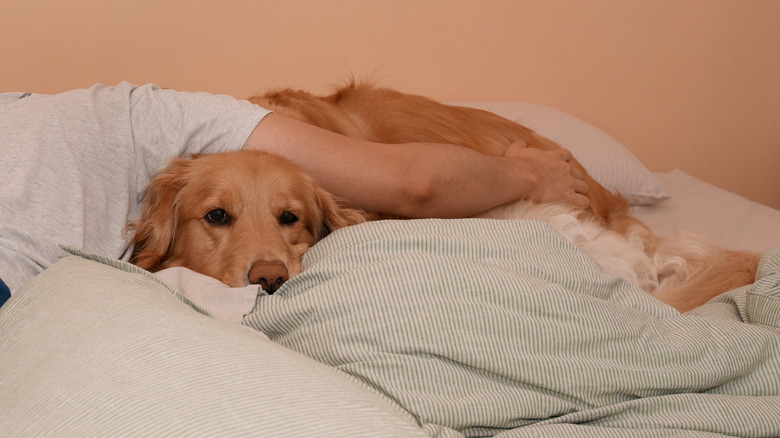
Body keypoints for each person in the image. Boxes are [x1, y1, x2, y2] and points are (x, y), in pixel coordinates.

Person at [0, 83, 588, 308]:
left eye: (288, 220)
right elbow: (411, 180)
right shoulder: (138, 116)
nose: (266, 263)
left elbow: (415, 185)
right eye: (220, 217)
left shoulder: (136, 120)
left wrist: (533, 179)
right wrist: (532, 175)